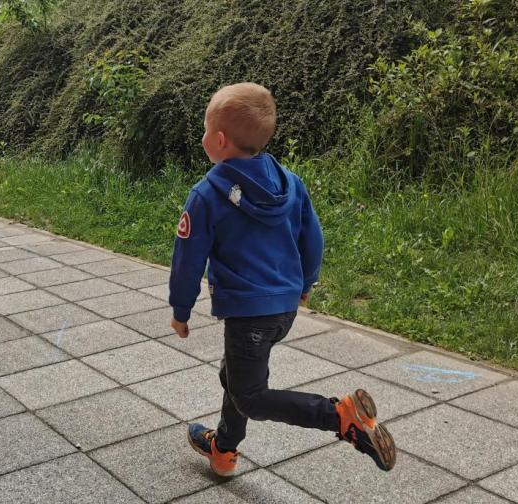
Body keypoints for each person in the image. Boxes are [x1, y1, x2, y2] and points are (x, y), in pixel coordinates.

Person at [168, 82, 396, 476]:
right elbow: (313, 238)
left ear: (219, 140)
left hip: (248, 314)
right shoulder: (289, 183)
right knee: (234, 376)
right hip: (285, 308)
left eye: (205, 130)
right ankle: (223, 449)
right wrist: (306, 282)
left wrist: (180, 309)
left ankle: (340, 417)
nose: (203, 136)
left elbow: (187, 259)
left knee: (250, 397)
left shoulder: (207, 195)